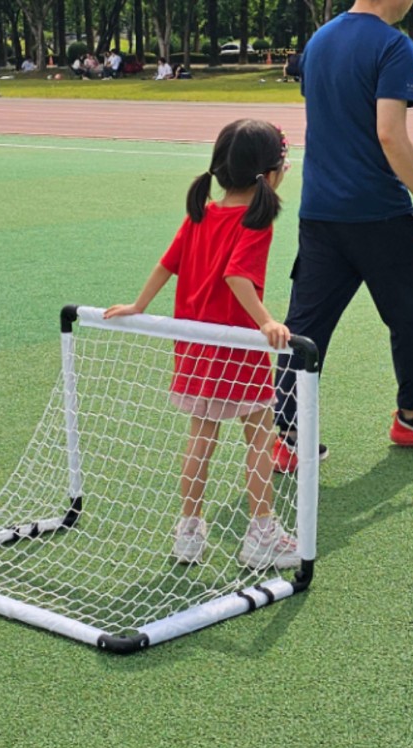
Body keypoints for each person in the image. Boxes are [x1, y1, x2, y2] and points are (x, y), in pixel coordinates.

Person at [273, 0, 413, 471]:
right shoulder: (392, 44)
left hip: (320, 210)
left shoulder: (321, 38)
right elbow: (389, 133)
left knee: (305, 327)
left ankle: (284, 435)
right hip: (378, 210)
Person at [104, 119, 299, 570]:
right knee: (259, 436)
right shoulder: (257, 220)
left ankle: (189, 531)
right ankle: (261, 532)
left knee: (201, 435)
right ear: (270, 175)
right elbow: (236, 276)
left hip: (193, 347)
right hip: (237, 347)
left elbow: (167, 264)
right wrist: (267, 321)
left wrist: (139, 304)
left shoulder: (201, 214)